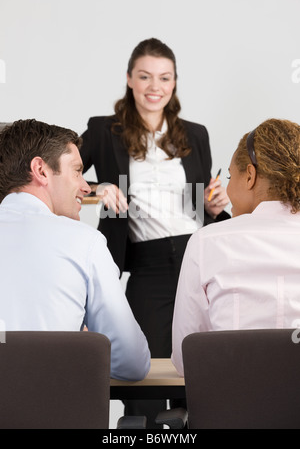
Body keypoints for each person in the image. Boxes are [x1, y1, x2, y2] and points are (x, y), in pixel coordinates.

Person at [80, 38, 230, 427]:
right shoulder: (102, 130)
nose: (154, 86)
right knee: (144, 370)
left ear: (175, 82)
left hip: (198, 256)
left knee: (200, 363)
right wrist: (98, 189)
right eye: (145, 76)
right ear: (129, 79)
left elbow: (200, 205)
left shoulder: (195, 134)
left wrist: (213, 207)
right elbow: (61, 174)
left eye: (164, 77)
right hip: (147, 265)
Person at [0, 119, 150, 381]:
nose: (85, 186)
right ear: (41, 170)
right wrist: (85, 342)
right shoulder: (84, 242)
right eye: (77, 171)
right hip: (51, 413)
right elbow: (131, 363)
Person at [172, 118, 300, 376]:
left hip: (232, 413)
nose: (227, 187)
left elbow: (187, 359)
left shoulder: (207, 242)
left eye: (230, 176)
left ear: (250, 176)